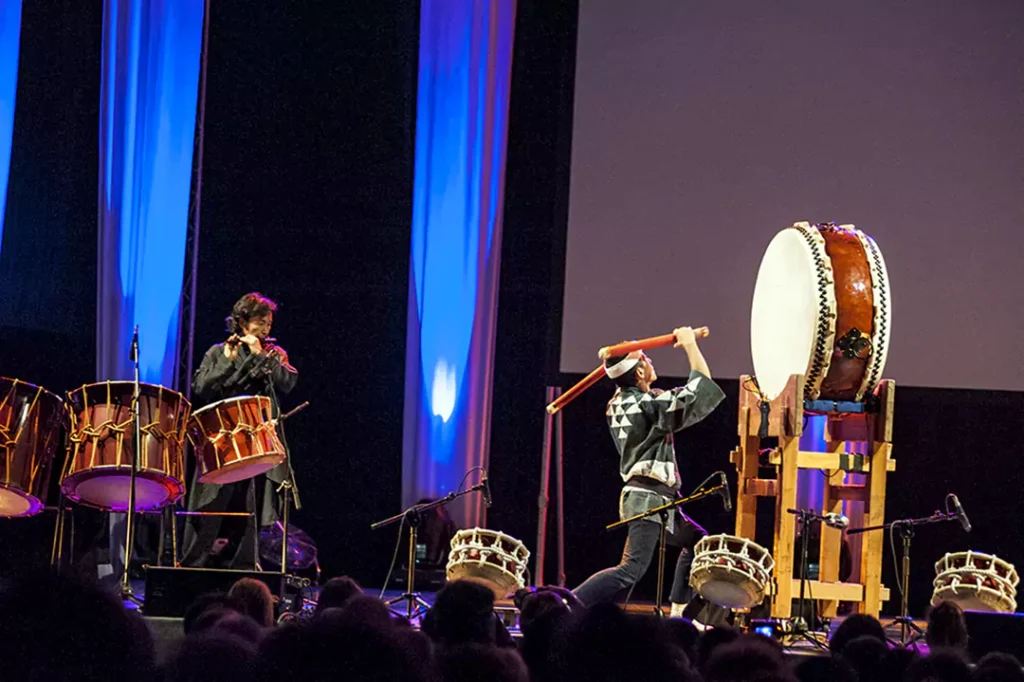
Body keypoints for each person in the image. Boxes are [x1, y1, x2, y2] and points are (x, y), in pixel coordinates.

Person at [572, 326, 726, 619]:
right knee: (630, 570)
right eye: (645, 358)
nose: (651, 362)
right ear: (639, 373)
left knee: (697, 541)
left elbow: (659, 399)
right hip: (648, 498)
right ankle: (567, 602)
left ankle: (679, 614)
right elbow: (700, 389)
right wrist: (690, 346)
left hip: (657, 497)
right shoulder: (646, 406)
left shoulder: (619, 403)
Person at [181, 292, 299, 569]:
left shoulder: (273, 353)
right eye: (260, 322)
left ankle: (245, 566)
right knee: (210, 503)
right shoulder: (217, 351)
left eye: (269, 323)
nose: (266, 329)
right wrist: (227, 359)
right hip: (221, 440)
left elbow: (287, 382)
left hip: (257, 440)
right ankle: (191, 565)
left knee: (253, 506)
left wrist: (261, 355)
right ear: (242, 322)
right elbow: (201, 389)